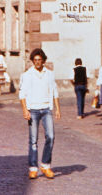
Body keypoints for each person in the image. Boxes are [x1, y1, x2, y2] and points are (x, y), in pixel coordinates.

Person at [19, 48, 60, 179]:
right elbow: (22, 94)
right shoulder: (27, 75)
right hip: (33, 110)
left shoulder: (50, 74)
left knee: (51, 137)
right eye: (35, 60)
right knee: (33, 140)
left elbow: (54, 91)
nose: (37, 62)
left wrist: (57, 109)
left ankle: (45, 165)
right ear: (32, 61)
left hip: (46, 109)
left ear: (43, 60)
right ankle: (33, 168)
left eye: (39, 60)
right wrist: (25, 110)